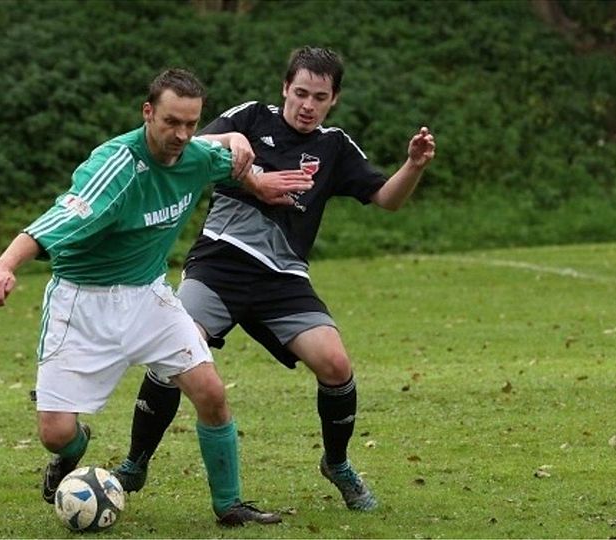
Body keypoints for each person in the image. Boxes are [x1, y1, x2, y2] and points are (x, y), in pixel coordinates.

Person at [0, 68, 313, 527]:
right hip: (83, 302)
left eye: (192, 124)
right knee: (56, 434)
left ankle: (229, 506)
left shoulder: (193, 156)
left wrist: (259, 184)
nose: (182, 135)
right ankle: (71, 452)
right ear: (148, 112)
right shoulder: (114, 167)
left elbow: (227, 165)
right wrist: (3, 266)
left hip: (150, 298)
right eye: (171, 122)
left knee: (211, 392)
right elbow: (51, 222)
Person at [112, 47, 437, 512]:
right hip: (219, 265)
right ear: (285, 87)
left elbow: (387, 199)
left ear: (333, 100)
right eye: (300, 92)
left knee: (335, 364)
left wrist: (414, 166)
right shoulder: (247, 117)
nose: (307, 104)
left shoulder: (334, 147)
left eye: (319, 97)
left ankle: (338, 464)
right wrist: (248, 170)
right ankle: (135, 462)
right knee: (173, 354)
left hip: (283, 279)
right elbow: (194, 152)